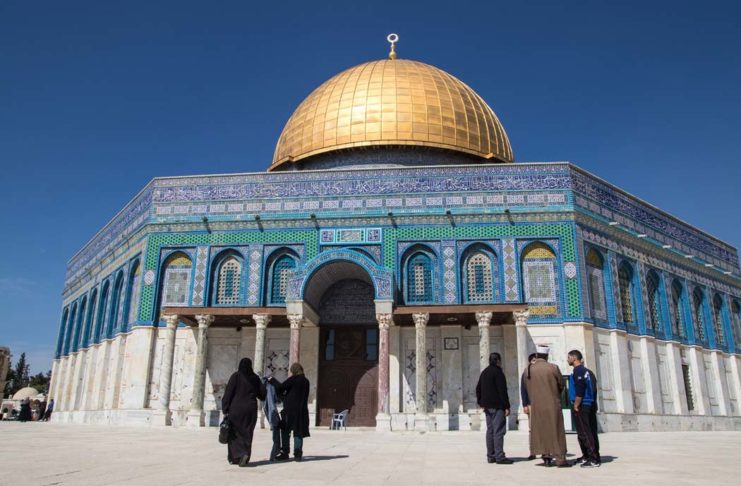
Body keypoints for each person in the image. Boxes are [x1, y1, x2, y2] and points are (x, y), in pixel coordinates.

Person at [522, 345, 570, 468]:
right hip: (553, 404)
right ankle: (560, 459)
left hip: (537, 405)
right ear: (547, 356)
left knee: (541, 430)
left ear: (537, 355)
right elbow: (561, 384)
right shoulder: (553, 368)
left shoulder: (528, 370)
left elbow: (526, 387)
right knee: (556, 430)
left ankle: (546, 457)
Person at [222, 358, 266, 467]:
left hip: (236, 408)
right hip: (251, 409)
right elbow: (262, 394)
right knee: (247, 432)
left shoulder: (236, 376)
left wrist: (225, 408)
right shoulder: (255, 378)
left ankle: (237, 456)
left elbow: (228, 393)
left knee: (235, 432)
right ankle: (244, 454)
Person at [476, 352, 512, 464]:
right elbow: (502, 391)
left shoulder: (484, 373)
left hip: (487, 406)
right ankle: (500, 456)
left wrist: (481, 402)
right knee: (498, 431)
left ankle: (491, 456)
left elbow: (478, 389)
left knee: (490, 431)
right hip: (497, 406)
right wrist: (506, 406)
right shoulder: (498, 373)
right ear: (498, 361)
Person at [270, 363, 310, 461]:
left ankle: (285, 452)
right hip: (301, 411)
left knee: (285, 431)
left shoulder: (293, 379)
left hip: (290, 411)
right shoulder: (306, 381)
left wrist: (272, 380)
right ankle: (298, 454)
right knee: (298, 432)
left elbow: (280, 387)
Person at [568, 349, 601, 468]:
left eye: (569, 357)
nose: (568, 360)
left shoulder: (579, 370)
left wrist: (577, 403)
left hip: (583, 404)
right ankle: (587, 455)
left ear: (574, 358)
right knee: (586, 431)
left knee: (585, 432)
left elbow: (580, 388)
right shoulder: (586, 371)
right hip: (587, 403)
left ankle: (593, 458)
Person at [262, 376, 284, 462]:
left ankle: (276, 452)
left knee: (276, 434)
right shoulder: (270, 387)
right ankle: (273, 455)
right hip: (272, 413)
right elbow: (273, 401)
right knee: (276, 436)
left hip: (269, 412)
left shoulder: (264, 387)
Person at [520, 353, 537, 460]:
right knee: (532, 429)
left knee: (544, 427)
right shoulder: (526, 373)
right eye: (534, 360)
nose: (535, 362)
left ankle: (546, 450)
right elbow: (523, 389)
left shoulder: (542, 372)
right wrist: (525, 404)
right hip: (531, 404)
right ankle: (533, 451)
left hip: (542, 404)